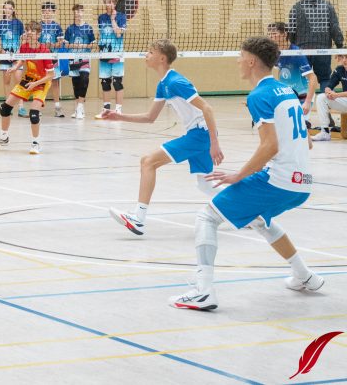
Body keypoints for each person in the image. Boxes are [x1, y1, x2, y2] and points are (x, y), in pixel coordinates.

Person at [170, 36, 322, 312]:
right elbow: (306, 141)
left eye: (240, 56)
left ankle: (203, 291)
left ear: (251, 61)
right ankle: (305, 276)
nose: (237, 61)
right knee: (259, 220)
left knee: (207, 216)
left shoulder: (259, 96)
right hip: (303, 183)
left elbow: (270, 145)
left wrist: (238, 175)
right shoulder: (287, 91)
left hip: (278, 181)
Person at [105, 40, 223, 235]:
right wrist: (119, 117)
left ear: (162, 58)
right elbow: (150, 117)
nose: (146, 55)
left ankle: (138, 218)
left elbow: (207, 108)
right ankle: (247, 211)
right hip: (198, 135)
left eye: (150, 52)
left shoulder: (176, 82)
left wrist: (214, 144)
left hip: (201, 134)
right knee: (205, 184)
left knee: (148, 161)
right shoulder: (163, 84)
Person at [0, 21, 53, 155]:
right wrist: (15, 67)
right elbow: (22, 60)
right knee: (5, 108)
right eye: (27, 30)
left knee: (34, 114)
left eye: (32, 31)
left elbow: (51, 75)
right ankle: (3, 137)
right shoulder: (24, 47)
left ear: (38, 34)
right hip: (28, 79)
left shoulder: (45, 51)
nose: (29, 33)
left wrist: (35, 84)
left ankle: (36, 143)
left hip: (42, 82)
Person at [287, 0, 343, 90]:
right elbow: (335, 28)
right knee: (324, 79)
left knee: (301, 78)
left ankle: (302, 100)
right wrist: (340, 46)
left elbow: (291, 30)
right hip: (323, 50)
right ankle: (326, 99)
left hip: (302, 50)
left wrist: (294, 46)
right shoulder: (327, 6)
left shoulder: (296, 7)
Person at [267, 22, 318, 121]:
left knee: (299, 123)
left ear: (284, 34)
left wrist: (307, 102)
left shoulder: (297, 53)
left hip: (303, 95)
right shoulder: (275, 53)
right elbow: (280, 72)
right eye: (269, 34)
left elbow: (313, 78)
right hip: (287, 94)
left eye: (274, 33)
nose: (271, 36)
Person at [95, 0, 127, 119]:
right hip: (104, 54)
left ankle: (118, 111)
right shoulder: (101, 18)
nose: (110, 4)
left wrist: (113, 19)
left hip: (117, 54)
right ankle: (106, 110)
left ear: (115, 3)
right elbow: (102, 35)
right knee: (105, 82)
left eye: (112, 2)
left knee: (117, 82)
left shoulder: (121, 17)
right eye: (108, 2)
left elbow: (118, 34)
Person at [0, 0, 24, 115]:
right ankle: (8, 106)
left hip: (17, 56)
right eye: (5, 8)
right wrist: (4, 52)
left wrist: (18, 51)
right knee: (7, 81)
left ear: (13, 10)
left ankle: (21, 106)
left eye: (10, 8)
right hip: (5, 56)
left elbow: (23, 40)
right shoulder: (0, 24)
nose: (7, 10)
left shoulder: (18, 23)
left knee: (18, 81)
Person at [65, 4, 95, 119]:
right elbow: (66, 45)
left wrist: (83, 46)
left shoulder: (88, 28)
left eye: (80, 11)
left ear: (83, 13)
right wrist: (74, 45)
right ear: (74, 13)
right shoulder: (70, 29)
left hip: (85, 57)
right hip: (73, 58)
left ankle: (80, 107)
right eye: (76, 11)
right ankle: (78, 108)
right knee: (76, 83)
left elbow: (93, 44)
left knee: (84, 79)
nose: (78, 13)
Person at [38, 1, 67, 118]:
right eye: (45, 11)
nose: (47, 13)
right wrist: (42, 46)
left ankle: (57, 108)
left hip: (53, 58)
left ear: (53, 12)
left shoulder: (57, 27)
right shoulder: (38, 26)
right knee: (40, 83)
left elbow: (60, 43)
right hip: (41, 58)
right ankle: (38, 107)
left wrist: (52, 45)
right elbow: (34, 42)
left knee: (55, 82)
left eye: (49, 11)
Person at [312, 54, 347, 141]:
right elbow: (330, 84)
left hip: (343, 97)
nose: (344, 60)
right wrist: (328, 91)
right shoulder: (340, 69)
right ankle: (325, 132)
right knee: (321, 97)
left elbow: (338, 95)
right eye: (343, 57)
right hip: (345, 102)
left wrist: (337, 95)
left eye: (346, 57)